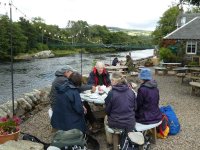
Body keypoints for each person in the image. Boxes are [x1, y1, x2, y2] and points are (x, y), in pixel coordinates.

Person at [49, 66, 99, 133]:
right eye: (72, 73)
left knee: (84, 104)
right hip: (58, 106)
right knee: (84, 107)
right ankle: (90, 125)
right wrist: (90, 87)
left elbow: (75, 88)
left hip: (60, 103)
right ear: (67, 72)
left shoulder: (62, 79)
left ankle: (92, 123)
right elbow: (78, 88)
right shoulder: (63, 80)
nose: (72, 74)